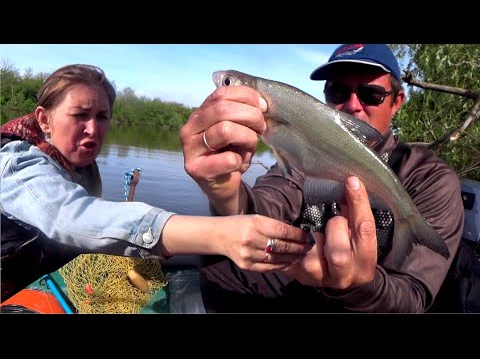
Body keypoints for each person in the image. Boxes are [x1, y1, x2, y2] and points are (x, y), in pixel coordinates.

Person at [180, 44, 465, 313]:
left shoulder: (431, 177)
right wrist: (225, 191)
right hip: (301, 287)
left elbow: (413, 298)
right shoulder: (304, 155)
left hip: (371, 304)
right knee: (220, 259)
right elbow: (266, 206)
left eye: (370, 95)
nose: (353, 105)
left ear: (396, 102)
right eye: (338, 91)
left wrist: (359, 285)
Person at [0, 64, 312, 302]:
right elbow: (69, 217)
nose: (93, 130)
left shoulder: (74, 162)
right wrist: (218, 234)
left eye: (102, 117)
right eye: (80, 115)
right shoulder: (16, 161)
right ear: (43, 119)